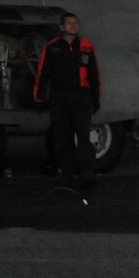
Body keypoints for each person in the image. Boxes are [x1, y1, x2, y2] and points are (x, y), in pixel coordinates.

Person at [34, 12, 103, 189]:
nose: (73, 26)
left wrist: (95, 98)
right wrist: (39, 97)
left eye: (75, 23)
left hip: (81, 97)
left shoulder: (86, 46)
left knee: (83, 137)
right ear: (62, 27)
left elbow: (94, 74)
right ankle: (67, 175)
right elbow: (43, 74)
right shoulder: (52, 47)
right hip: (60, 98)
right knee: (63, 138)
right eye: (69, 23)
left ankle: (87, 174)